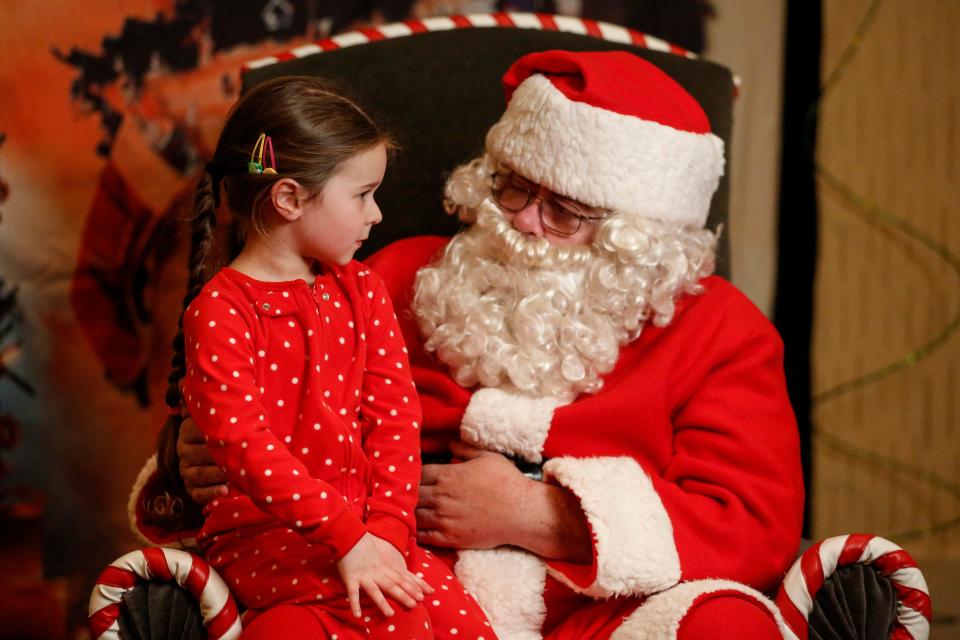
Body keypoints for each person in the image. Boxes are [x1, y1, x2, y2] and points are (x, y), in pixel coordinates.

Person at [136, 51, 804, 639]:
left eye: (565, 210)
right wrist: (192, 457)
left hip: (607, 616)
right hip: (398, 587)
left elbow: (753, 525)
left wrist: (539, 516)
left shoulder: (722, 331)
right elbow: (267, 402)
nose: (520, 220)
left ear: (642, 238)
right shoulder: (394, 276)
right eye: (513, 183)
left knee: (727, 626)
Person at [145, 75, 492, 639]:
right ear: (288, 198)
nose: (377, 214)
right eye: (362, 195)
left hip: (367, 529)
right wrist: (347, 538)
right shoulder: (222, 311)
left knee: (459, 621)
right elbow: (247, 450)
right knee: (396, 619)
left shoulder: (362, 290)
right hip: (265, 534)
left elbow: (395, 420)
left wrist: (385, 528)